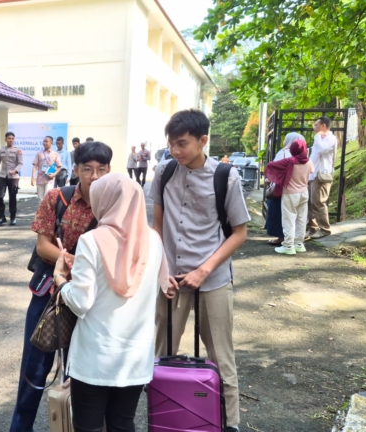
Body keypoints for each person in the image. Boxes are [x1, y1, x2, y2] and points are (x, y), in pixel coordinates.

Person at [150, 109, 250, 432]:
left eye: (182, 144)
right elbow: (157, 226)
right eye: (171, 144)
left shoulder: (225, 176)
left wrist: (204, 270)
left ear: (203, 140)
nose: (175, 151)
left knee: (221, 356)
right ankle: (165, 418)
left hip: (214, 279)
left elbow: (239, 233)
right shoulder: (164, 171)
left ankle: (229, 423)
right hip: (172, 279)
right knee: (161, 353)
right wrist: (160, 270)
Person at [53, 173, 176, 431]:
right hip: (135, 357)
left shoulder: (92, 241)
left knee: (88, 426)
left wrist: (61, 281)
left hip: (95, 356)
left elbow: (81, 301)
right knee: (122, 423)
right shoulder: (153, 240)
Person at [10, 141, 113, 432]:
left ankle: (72, 426)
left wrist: (72, 263)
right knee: (34, 368)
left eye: (101, 169)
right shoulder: (57, 198)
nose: (94, 176)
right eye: (87, 169)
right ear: (76, 170)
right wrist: (79, 261)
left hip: (89, 298)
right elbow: (43, 247)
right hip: (49, 296)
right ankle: (20, 428)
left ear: (109, 170)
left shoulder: (115, 205)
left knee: (80, 373)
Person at [264, 139, 313, 255]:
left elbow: (271, 166)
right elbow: (311, 172)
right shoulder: (309, 162)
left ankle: (288, 245)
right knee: (301, 219)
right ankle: (299, 244)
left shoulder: (289, 161)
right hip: (304, 193)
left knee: (289, 219)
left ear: (293, 149)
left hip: (290, 193)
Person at [307, 116, 337, 240]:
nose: (314, 127)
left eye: (316, 125)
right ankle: (312, 227)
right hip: (313, 174)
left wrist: (318, 136)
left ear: (323, 126)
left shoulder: (330, 138)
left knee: (318, 202)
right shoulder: (320, 138)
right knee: (310, 202)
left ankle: (324, 229)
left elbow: (321, 149)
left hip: (322, 175)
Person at [0, 131, 23, 227]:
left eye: (12, 138)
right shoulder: (1, 150)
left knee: (12, 197)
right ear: (5, 139)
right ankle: (1, 216)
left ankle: (12, 217)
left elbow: (20, 163)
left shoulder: (18, 150)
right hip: (3, 176)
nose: (11, 140)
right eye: (9, 138)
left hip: (13, 177)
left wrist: (15, 170)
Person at [31, 136, 62, 200]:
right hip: (40, 179)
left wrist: (54, 174)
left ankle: (48, 210)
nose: (44, 143)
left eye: (46, 141)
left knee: (47, 197)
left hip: (49, 179)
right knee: (40, 199)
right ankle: (41, 210)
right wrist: (33, 177)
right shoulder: (39, 154)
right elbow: (35, 166)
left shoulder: (55, 154)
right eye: (44, 141)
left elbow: (59, 167)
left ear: (51, 143)